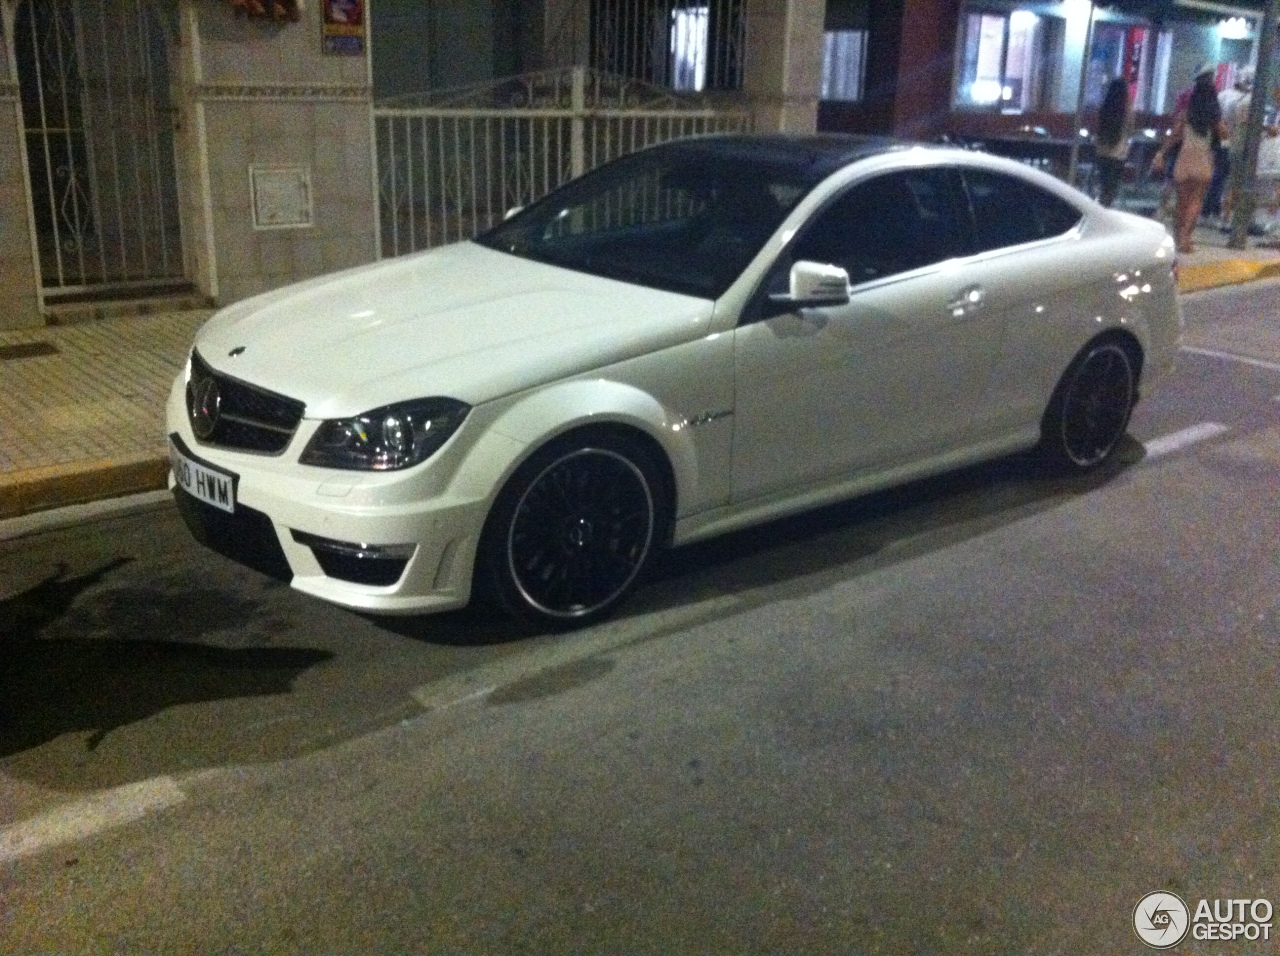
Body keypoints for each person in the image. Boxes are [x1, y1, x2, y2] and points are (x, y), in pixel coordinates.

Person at [1154, 70, 1228, 253]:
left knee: (1182, 201)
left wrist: (1161, 154)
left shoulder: (1186, 114)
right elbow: (1224, 135)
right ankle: (1186, 238)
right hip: (1203, 159)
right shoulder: (1214, 116)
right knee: (1196, 201)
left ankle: (1178, 236)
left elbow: (1175, 136)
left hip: (1184, 159)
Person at [1095, 78, 1131, 208]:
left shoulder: (1104, 108)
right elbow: (1129, 129)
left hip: (1103, 149)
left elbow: (1098, 127)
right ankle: (1106, 207)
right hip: (1118, 152)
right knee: (1112, 186)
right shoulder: (1125, 110)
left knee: (1104, 183)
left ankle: (1101, 206)